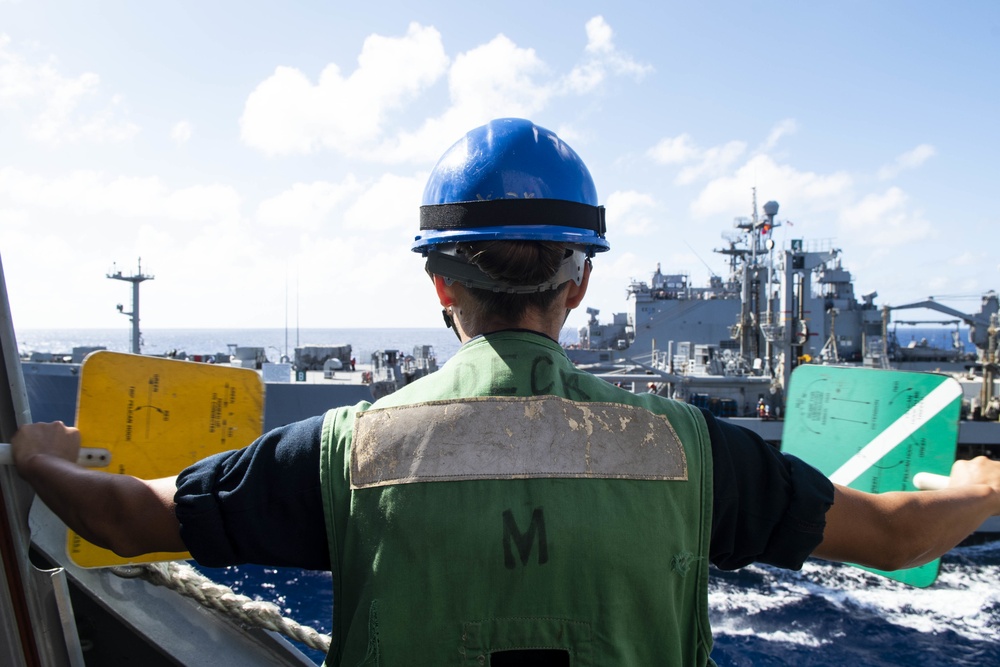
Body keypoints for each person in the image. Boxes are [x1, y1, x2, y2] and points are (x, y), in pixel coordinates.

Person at [11, 118, 1000, 666]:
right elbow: (899, 534)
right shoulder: (691, 449)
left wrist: (38, 452)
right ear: (580, 283)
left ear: (440, 284)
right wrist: (985, 483)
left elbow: (131, 515)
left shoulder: (347, 448)